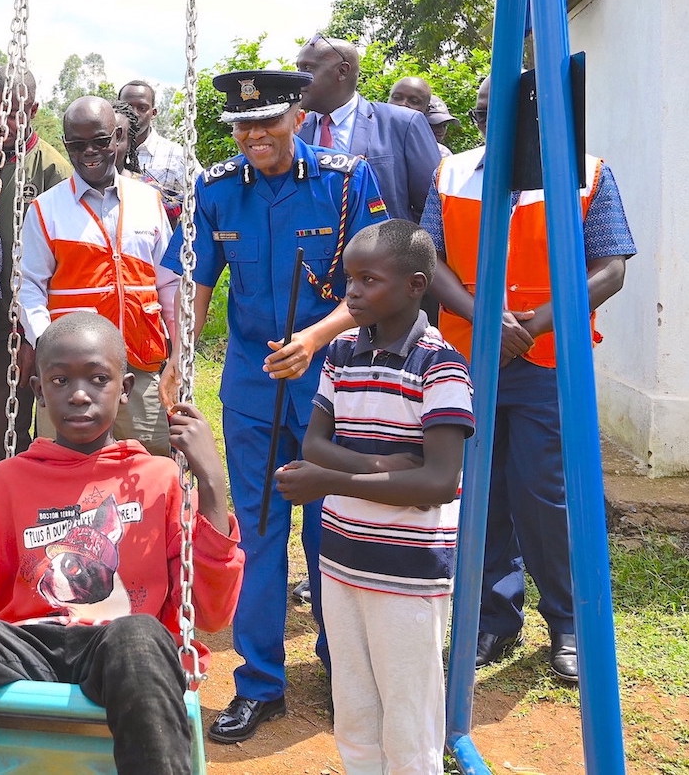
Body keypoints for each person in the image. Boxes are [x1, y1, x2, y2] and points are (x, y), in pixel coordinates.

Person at [0, 312, 244, 775]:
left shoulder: (158, 478)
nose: (78, 394)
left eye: (97, 379)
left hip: (122, 650)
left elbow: (211, 614)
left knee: (139, 635)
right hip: (25, 644)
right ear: (39, 392)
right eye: (59, 379)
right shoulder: (7, 481)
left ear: (125, 389)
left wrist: (211, 484)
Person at [163, 69, 388, 744]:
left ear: (295, 117)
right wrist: (180, 363)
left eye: (265, 121)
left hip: (331, 386)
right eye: (241, 126)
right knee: (259, 532)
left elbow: (373, 287)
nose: (253, 135)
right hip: (253, 388)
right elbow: (199, 287)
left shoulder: (347, 182)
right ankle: (260, 683)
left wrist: (316, 336)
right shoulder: (216, 191)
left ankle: (341, 668)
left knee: (332, 531)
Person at [422, 75, 634, 683]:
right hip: (470, 358)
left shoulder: (587, 173)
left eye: (510, 113)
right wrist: (485, 318)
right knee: (480, 494)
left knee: (545, 494)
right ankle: (492, 617)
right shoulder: (452, 173)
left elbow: (611, 267)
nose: (495, 124)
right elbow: (428, 257)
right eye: (486, 112)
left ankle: (568, 622)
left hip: (549, 363)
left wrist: (535, 325)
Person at [274, 220, 473, 775]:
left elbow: (438, 484)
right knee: (356, 713)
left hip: (408, 572)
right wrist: (385, 468)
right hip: (340, 562)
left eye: (368, 280)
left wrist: (333, 480)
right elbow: (315, 440)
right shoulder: (339, 352)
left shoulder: (441, 365)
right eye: (348, 281)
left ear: (415, 285)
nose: (352, 293)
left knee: (409, 723)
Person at [20, 97, 175, 456]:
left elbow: (168, 282)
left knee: (149, 464)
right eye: (77, 144)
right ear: (66, 144)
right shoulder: (46, 209)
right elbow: (29, 285)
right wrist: (46, 342)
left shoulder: (148, 201)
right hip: (71, 374)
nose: (90, 152)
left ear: (117, 137)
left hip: (142, 362)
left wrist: (179, 352)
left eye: (100, 141)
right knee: (67, 472)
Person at [0, 66, 71, 493]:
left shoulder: (52, 170)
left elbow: (61, 261)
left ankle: (13, 508)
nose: (0, 123)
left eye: (12, 114)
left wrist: (34, 335)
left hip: (20, 319)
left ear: (34, 111)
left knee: (8, 422)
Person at [296, 36, 440, 223]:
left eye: (307, 69)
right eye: (298, 69)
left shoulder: (403, 123)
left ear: (342, 71)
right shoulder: (296, 132)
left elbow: (433, 209)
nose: (298, 78)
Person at [118, 79, 190, 216]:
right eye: (127, 107)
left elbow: (200, 195)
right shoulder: (105, 152)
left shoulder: (175, 154)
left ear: (154, 113)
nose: (134, 113)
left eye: (142, 108)